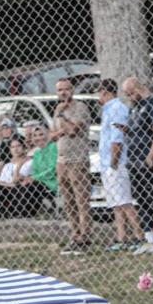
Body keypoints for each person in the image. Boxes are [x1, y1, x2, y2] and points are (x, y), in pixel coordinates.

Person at [98, 78, 144, 251]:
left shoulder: (117, 109)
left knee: (124, 201)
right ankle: (121, 237)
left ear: (104, 91)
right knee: (115, 204)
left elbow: (116, 140)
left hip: (115, 163)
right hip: (106, 163)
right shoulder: (107, 110)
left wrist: (113, 162)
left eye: (99, 91)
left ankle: (140, 235)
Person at [50, 77, 92, 253]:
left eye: (66, 89)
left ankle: (85, 237)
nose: (63, 93)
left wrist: (63, 118)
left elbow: (74, 130)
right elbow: (52, 135)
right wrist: (61, 128)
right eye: (60, 90)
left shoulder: (79, 107)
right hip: (62, 160)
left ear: (72, 90)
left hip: (77, 159)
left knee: (81, 199)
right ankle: (75, 234)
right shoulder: (57, 109)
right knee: (68, 202)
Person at [121, 76, 153, 254]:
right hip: (133, 161)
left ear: (137, 89)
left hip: (146, 160)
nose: (129, 97)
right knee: (141, 198)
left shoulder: (151, 105)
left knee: (151, 195)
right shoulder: (134, 108)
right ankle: (150, 239)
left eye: (130, 93)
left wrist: (151, 154)